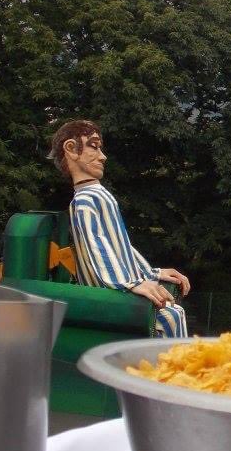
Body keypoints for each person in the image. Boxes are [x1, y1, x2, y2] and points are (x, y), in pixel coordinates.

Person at [48, 120, 192, 338]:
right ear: (70, 149)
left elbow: (119, 245)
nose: (103, 156)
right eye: (94, 146)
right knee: (169, 316)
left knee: (174, 311)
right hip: (109, 296)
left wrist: (152, 273)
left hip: (118, 286)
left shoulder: (95, 194)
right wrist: (129, 283)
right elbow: (97, 246)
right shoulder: (84, 200)